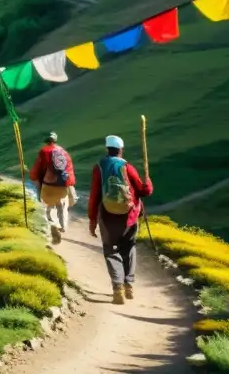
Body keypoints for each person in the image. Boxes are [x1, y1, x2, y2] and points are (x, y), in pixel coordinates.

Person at [88, 135, 153, 305]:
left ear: (107, 149)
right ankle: (129, 284)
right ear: (121, 149)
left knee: (110, 250)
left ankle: (117, 288)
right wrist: (148, 181)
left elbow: (94, 196)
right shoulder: (127, 167)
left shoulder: (99, 167)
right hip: (129, 217)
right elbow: (144, 191)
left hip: (107, 217)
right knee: (129, 247)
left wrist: (92, 220)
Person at [29, 131, 75, 243]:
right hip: (62, 186)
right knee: (62, 206)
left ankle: (50, 221)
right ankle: (63, 226)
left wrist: (35, 179)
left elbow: (36, 170)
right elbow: (69, 170)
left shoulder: (43, 151)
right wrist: (69, 183)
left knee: (46, 203)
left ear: (46, 141)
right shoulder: (64, 152)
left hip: (48, 186)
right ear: (55, 140)